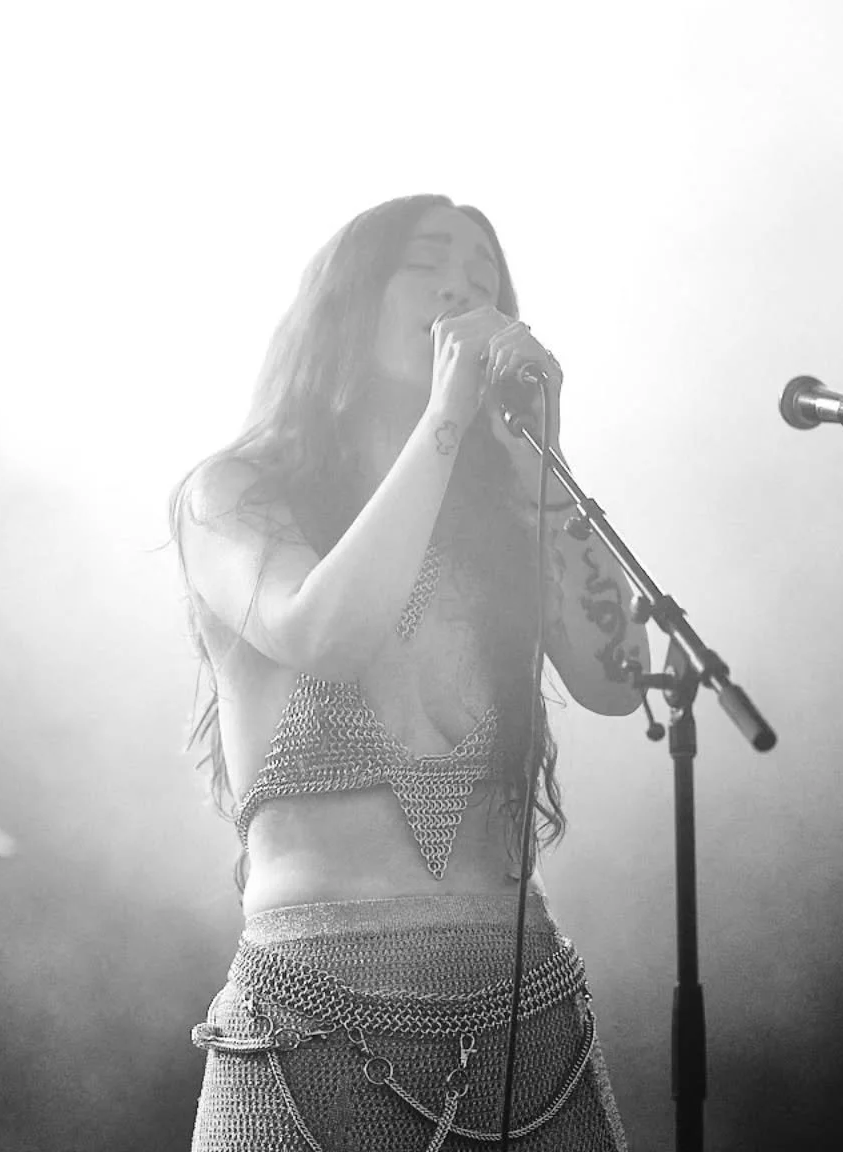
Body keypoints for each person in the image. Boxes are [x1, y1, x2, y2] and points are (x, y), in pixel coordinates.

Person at [171, 194, 650, 1150]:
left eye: (483, 276)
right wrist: (442, 418)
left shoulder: (507, 508)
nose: (461, 291)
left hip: (527, 1028)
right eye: (428, 264)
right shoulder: (232, 495)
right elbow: (322, 631)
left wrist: (539, 462)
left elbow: (620, 678)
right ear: (348, 302)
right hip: (306, 1033)